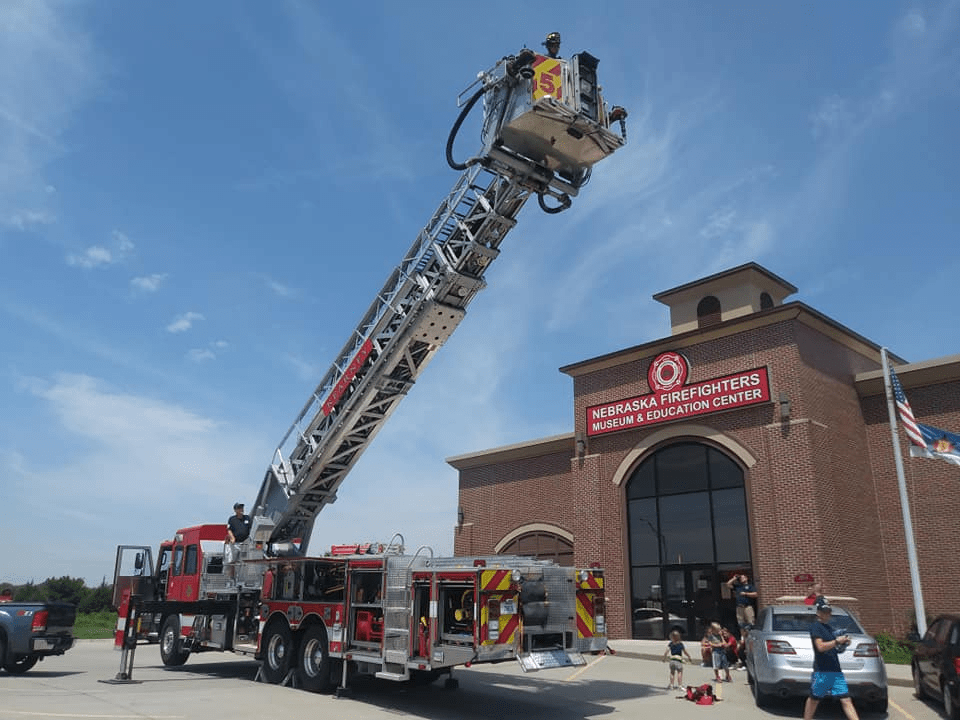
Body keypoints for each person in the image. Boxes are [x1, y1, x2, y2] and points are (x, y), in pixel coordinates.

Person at [803, 601, 859, 720]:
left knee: (846, 700)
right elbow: (820, 647)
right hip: (822, 671)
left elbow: (835, 648)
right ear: (818, 613)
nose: (827, 614)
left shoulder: (829, 628)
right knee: (814, 700)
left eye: (828, 612)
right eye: (824, 612)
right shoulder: (816, 627)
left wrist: (844, 643)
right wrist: (837, 641)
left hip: (836, 671)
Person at [727, 573, 758, 643]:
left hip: (747, 607)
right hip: (739, 607)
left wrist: (746, 594)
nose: (741, 579)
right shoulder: (738, 586)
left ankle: (751, 637)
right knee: (741, 623)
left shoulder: (750, 586)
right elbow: (728, 584)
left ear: (746, 578)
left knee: (750, 622)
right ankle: (743, 637)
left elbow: (755, 594)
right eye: (740, 578)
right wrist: (734, 578)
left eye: (743, 577)